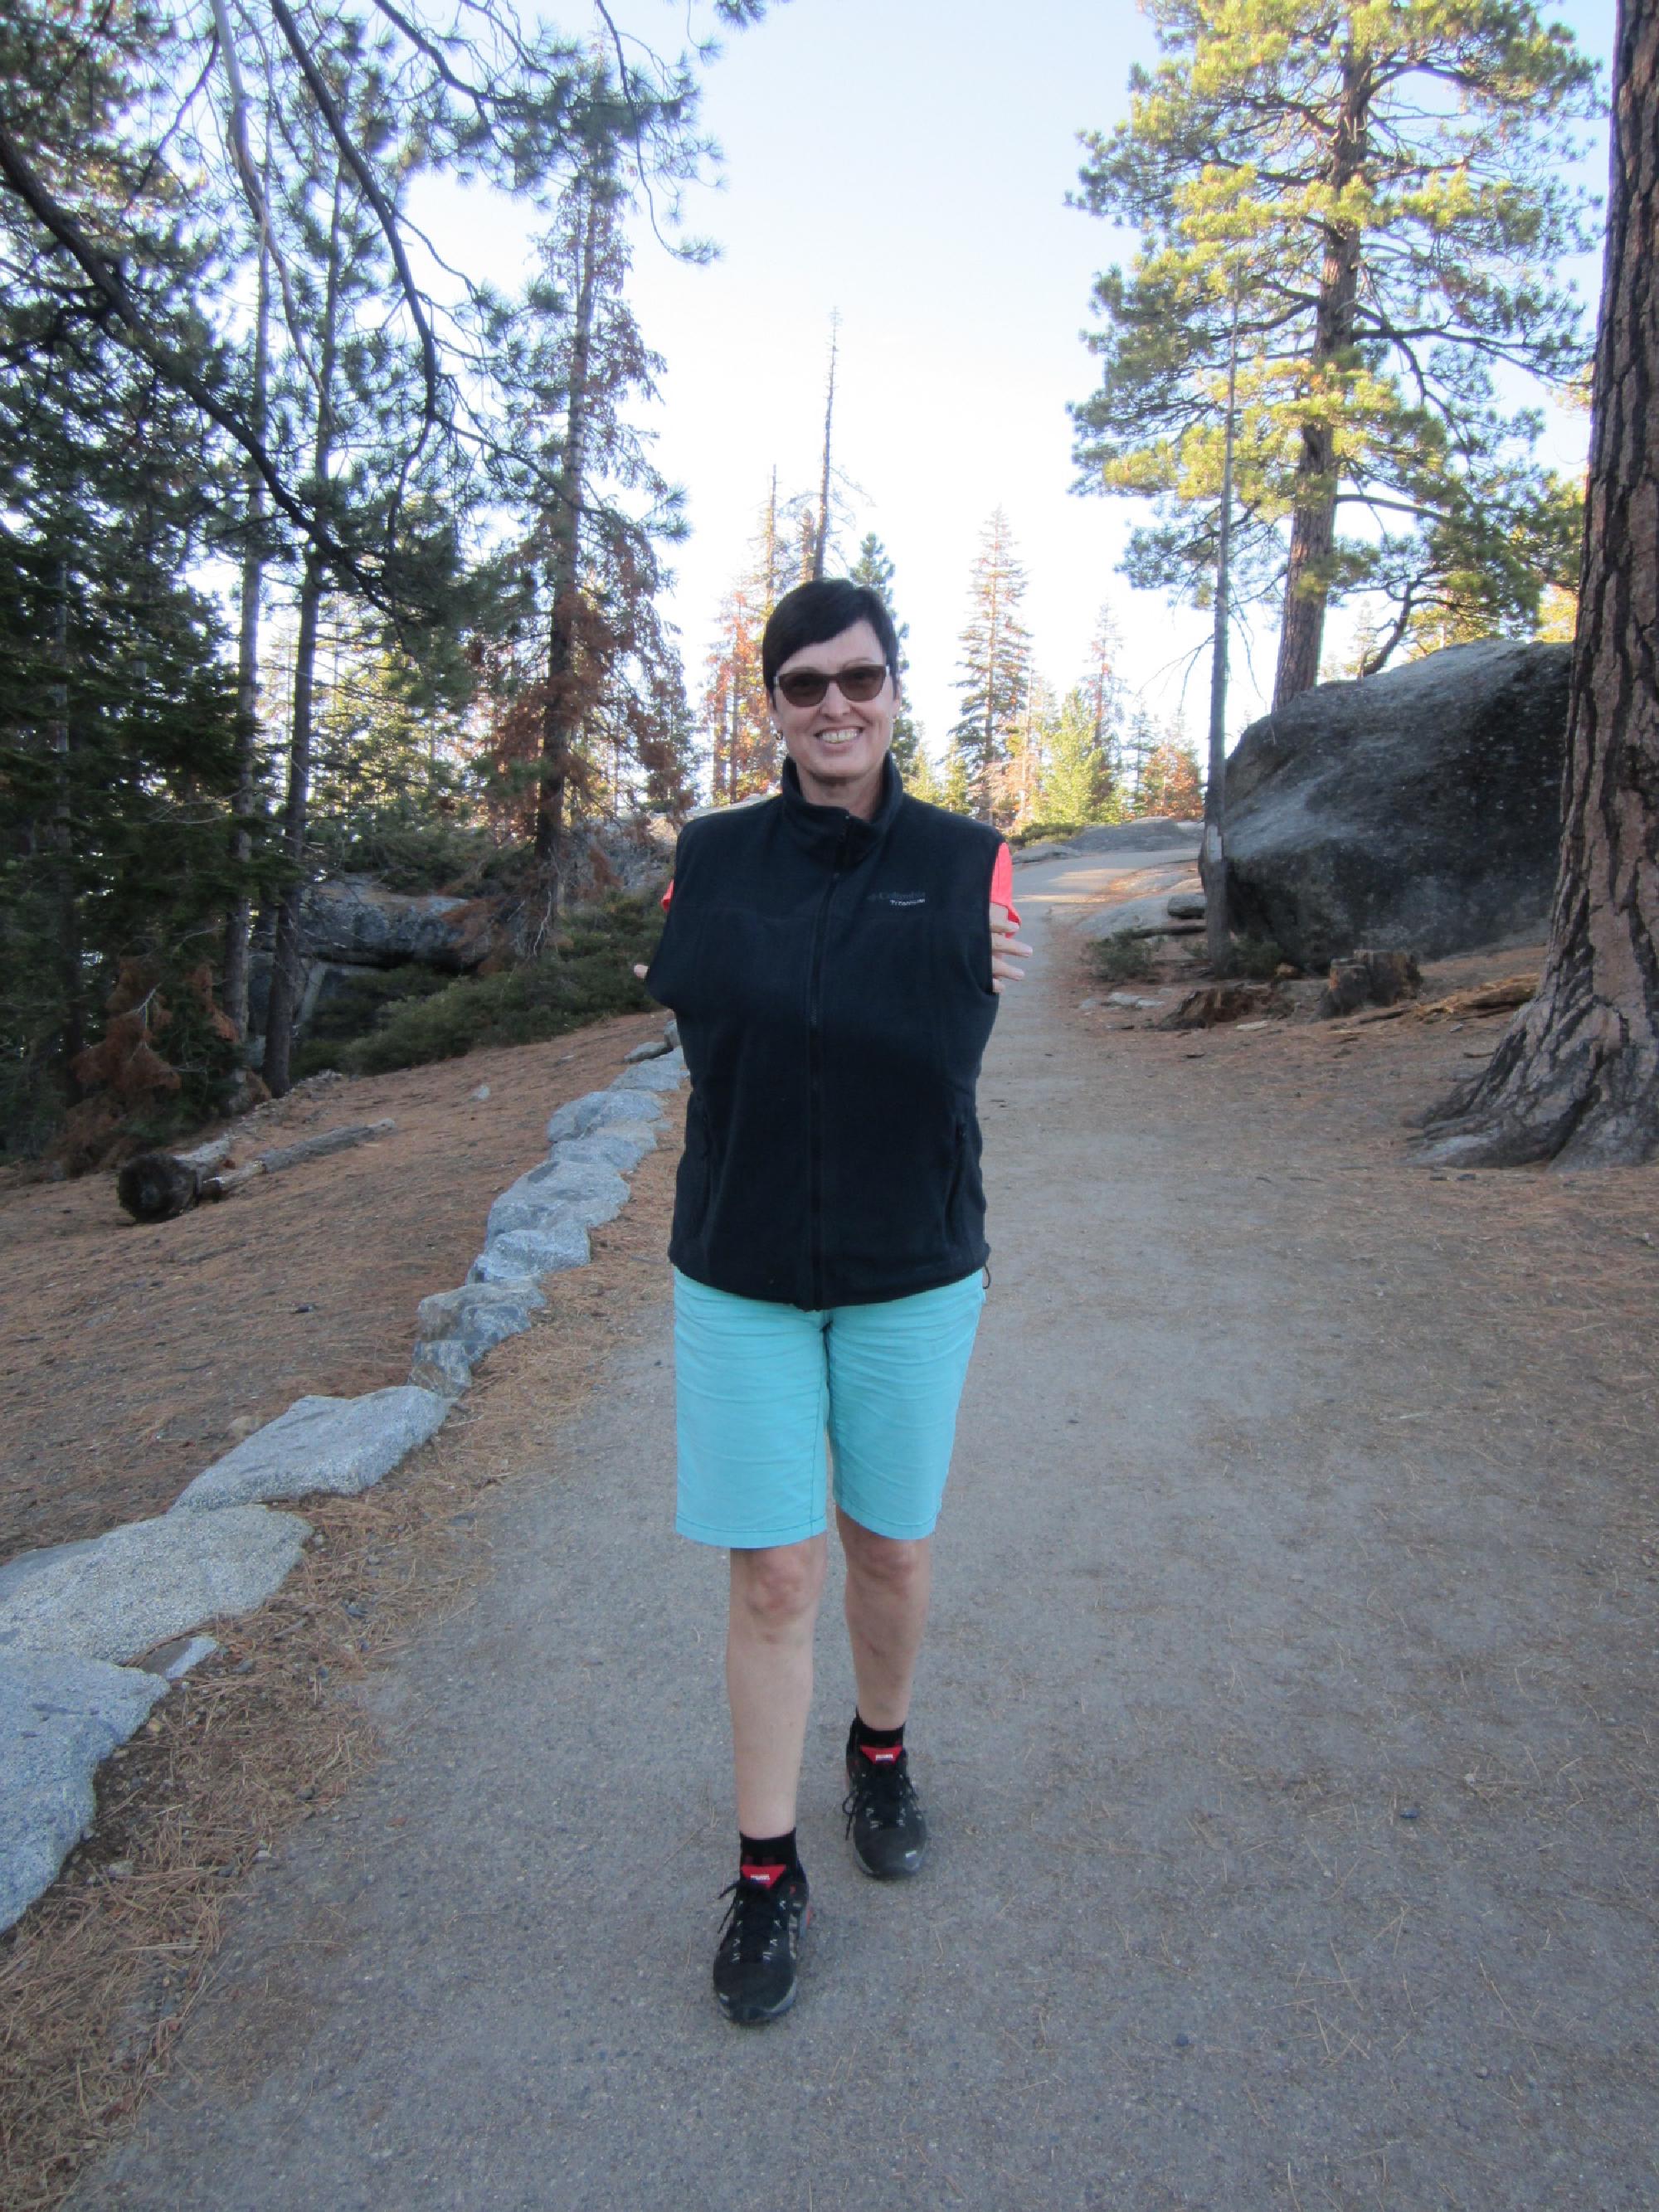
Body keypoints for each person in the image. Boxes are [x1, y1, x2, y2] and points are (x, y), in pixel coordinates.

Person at [640, 576, 1029, 2025]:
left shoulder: (966, 861)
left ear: (893, 688)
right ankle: (766, 1872)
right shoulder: (713, 857)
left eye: (859, 677)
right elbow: (690, 1004)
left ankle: (880, 1750)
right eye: (804, 685)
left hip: (909, 1266)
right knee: (773, 1575)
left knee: (891, 1550)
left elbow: (952, 1030)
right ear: (775, 707)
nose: (835, 706)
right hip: (739, 1267)